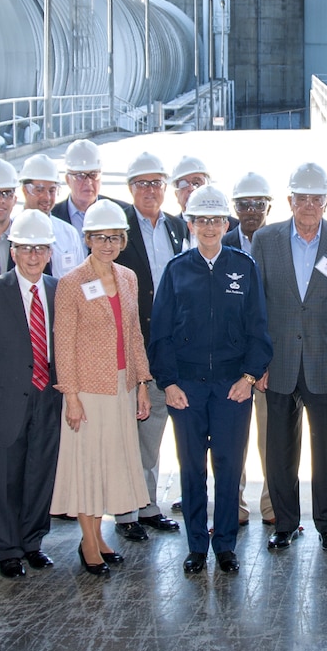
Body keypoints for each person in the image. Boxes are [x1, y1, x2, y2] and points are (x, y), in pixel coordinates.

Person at [147, 186, 272, 575]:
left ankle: (226, 545)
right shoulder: (177, 269)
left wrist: (248, 377)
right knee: (191, 469)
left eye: (216, 220)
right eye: (202, 220)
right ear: (191, 223)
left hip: (232, 388)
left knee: (229, 466)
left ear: (225, 223)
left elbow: (259, 330)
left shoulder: (243, 266)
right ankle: (197, 545)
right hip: (188, 388)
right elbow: (161, 334)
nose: (209, 227)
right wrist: (169, 383)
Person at [252, 161, 327, 552]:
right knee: (279, 451)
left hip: (324, 364)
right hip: (278, 364)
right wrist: (258, 363)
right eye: (302, 198)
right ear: (289, 200)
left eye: (317, 198)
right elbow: (257, 307)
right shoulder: (265, 240)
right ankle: (285, 523)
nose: (309, 205)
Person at [51, 199, 153, 575]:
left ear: (123, 240)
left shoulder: (128, 278)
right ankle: (89, 543)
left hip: (122, 387)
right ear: (87, 238)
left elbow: (134, 333)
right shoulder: (72, 282)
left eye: (114, 237)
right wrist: (72, 396)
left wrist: (142, 382)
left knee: (109, 464)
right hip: (88, 391)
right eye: (99, 237)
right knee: (87, 466)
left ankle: (98, 536)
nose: (107, 244)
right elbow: (64, 343)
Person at [0, 209, 66, 578]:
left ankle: (32, 542)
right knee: (2, 478)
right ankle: (6, 548)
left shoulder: (60, 291)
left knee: (40, 474)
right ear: (13, 251)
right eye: (26, 248)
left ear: (50, 252)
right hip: (3, 403)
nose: (34, 256)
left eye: (41, 248)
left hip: (49, 400)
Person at [115, 152, 187, 538]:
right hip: (133, 340)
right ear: (130, 189)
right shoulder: (121, 226)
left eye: (156, 183)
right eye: (142, 183)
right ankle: (126, 512)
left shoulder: (176, 226)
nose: (150, 190)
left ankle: (147, 505)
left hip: (169, 343)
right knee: (129, 426)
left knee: (152, 424)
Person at [229, 170, 275, 527]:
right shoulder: (220, 242)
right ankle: (234, 506)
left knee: (269, 439)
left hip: (268, 363)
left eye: (259, 204)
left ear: (268, 207)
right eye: (245, 204)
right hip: (231, 362)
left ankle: (272, 506)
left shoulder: (277, 243)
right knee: (232, 440)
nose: (252, 210)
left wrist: (267, 363)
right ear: (235, 208)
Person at [19, 153, 85, 275]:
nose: (47, 197)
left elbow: (80, 279)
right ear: (25, 190)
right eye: (39, 190)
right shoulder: (13, 231)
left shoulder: (69, 233)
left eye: (52, 190)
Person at [53, 138, 105, 240]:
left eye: (93, 174)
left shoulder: (120, 213)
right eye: (80, 176)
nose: (88, 182)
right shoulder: (53, 217)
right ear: (68, 179)